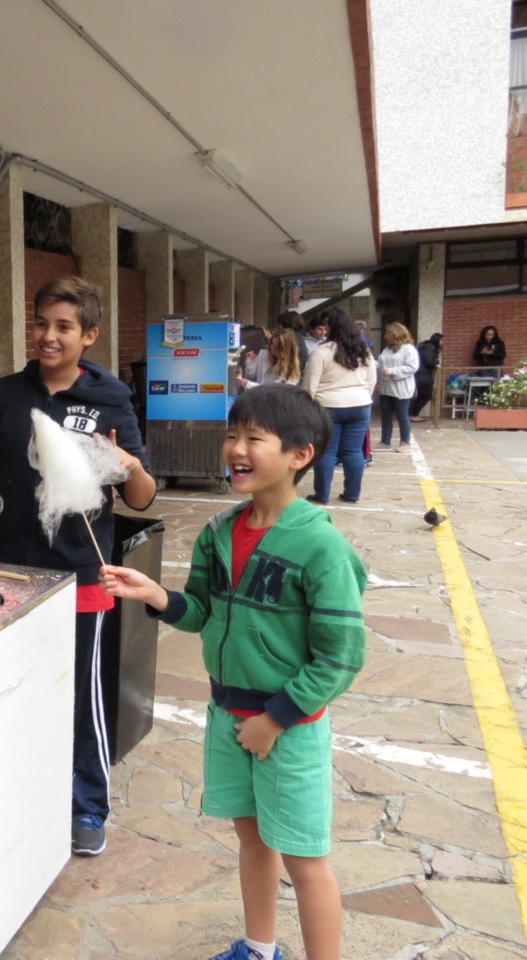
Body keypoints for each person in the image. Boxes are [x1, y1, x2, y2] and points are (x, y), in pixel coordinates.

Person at [102, 383, 366, 960]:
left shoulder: (321, 546)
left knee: (304, 859)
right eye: (230, 435)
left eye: (254, 438)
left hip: (288, 730)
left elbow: (341, 656)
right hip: (227, 715)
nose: (235, 449)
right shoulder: (219, 531)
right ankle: (259, 948)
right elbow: (201, 612)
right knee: (252, 838)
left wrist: (276, 719)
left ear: (300, 455)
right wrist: (155, 595)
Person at [0, 276, 156, 857]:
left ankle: (87, 805)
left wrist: (128, 465)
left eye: (63, 327)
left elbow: (143, 496)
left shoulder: (109, 396)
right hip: (10, 570)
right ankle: (19, 791)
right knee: (12, 686)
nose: (49, 336)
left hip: (80, 570)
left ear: (89, 335)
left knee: (81, 694)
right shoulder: (7, 393)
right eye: (42, 323)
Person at [301, 308, 376, 504]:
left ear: (332, 327)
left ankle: (322, 494)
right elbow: (371, 380)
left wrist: (309, 408)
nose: (324, 329)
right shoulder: (363, 350)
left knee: (326, 451)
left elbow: (310, 385)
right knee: (353, 451)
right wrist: (361, 396)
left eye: (326, 326)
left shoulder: (322, 352)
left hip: (328, 406)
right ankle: (352, 494)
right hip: (360, 405)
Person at [377, 323, 420, 453]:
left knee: (402, 415)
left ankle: (405, 442)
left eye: (387, 333)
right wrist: (377, 382)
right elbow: (380, 366)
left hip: (401, 389)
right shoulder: (387, 350)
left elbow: (412, 367)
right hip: (386, 388)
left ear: (395, 334)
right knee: (385, 415)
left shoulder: (408, 349)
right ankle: (385, 441)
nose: (385, 336)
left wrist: (392, 371)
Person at [410, 333, 443, 421]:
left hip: (422, 376)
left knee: (421, 396)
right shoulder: (429, 347)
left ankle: (413, 414)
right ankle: (413, 414)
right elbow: (428, 362)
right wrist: (436, 362)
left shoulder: (428, 347)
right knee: (425, 396)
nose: (443, 342)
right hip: (423, 377)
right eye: (442, 340)